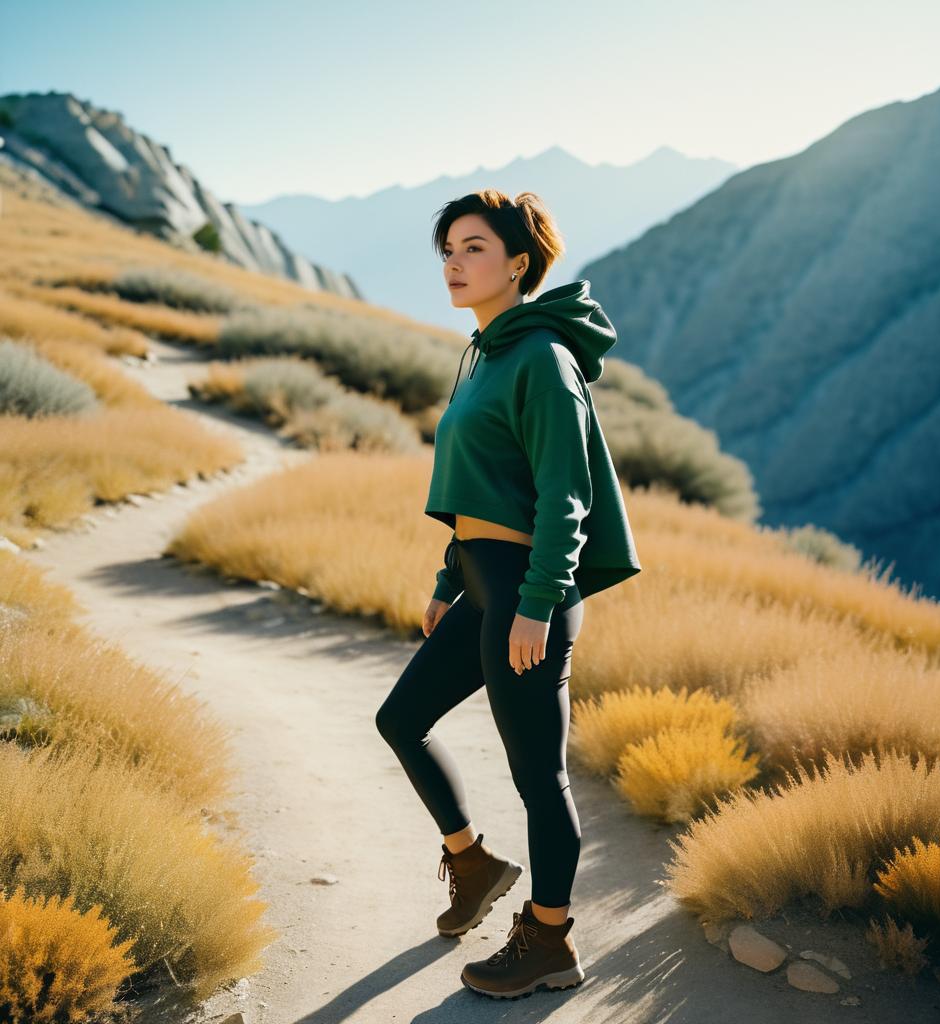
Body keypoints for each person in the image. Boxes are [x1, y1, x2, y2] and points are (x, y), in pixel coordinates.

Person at [375, 188, 641, 999]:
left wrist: (534, 603)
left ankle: (550, 939)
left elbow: (565, 493)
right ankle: (474, 862)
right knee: (401, 719)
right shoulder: (486, 353)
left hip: (532, 597)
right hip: (484, 588)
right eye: (448, 250)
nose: (454, 264)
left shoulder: (542, 360)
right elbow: (482, 485)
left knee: (539, 779)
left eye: (474, 248)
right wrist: (446, 581)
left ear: (519, 263)